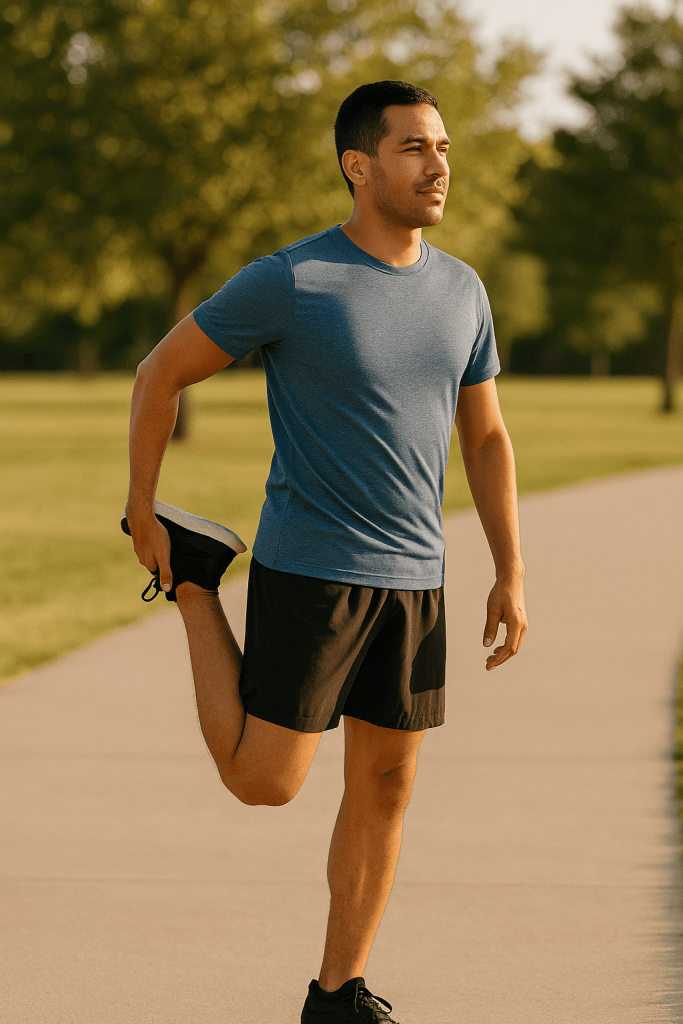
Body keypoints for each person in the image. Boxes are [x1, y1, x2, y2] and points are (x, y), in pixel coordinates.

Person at [122, 79, 528, 1024]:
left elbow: (486, 438)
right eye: (413, 149)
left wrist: (510, 569)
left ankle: (337, 994)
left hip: (414, 578)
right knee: (265, 783)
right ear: (358, 166)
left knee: (385, 785)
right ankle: (192, 580)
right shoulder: (292, 280)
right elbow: (159, 374)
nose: (438, 166)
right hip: (313, 565)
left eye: (441, 147)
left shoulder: (462, 289)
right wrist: (143, 509)